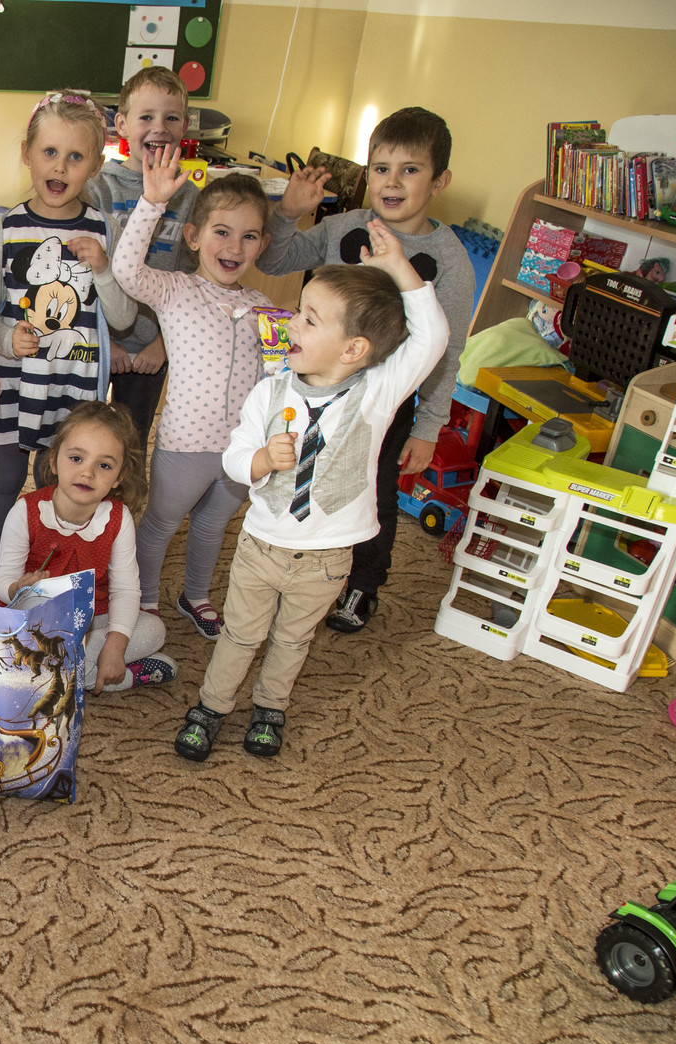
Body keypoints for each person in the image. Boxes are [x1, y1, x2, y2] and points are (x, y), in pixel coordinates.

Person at [177, 218, 447, 761]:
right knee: (239, 635)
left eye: (309, 319)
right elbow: (234, 457)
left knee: (293, 639)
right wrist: (259, 460)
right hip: (261, 546)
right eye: (299, 311)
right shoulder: (269, 392)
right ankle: (211, 705)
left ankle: (270, 707)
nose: (291, 323)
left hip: (326, 557)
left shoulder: (378, 392)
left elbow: (433, 338)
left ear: (353, 349)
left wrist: (400, 268)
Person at [256, 106, 473, 634]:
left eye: (410, 170)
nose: (392, 182)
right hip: (315, 388)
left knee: (373, 490)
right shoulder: (342, 228)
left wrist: (428, 426)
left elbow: (446, 351)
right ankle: (298, 566)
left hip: (385, 401)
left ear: (439, 181)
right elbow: (273, 260)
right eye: (381, 168)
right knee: (301, 473)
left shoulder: (449, 260)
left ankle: (363, 584)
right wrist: (286, 214)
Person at [111, 148, 274, 642]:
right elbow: (126, 270)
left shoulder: (264, 307)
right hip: (185, 444)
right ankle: (143, 599)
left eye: (249, 236)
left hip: (243, 448)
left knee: (213, 525)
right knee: (161, 523)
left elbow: (277, 376)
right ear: (193, 236)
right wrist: (152, 203)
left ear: (262, 245)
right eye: (222, 231)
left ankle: (196, 595)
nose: (234, 246)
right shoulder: (175, 290)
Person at [0, 89, 138, 581]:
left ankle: (51, 578)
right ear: (27, 153)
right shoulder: (4, 230)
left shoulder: (105, 230)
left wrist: (104, 269)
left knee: (58, 486)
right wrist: (6, 337)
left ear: (96, 166)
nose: (60, 167)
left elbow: (124, 317)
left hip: (74, 385)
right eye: (49, 151)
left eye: (75, 156)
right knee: (7, 480)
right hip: (15, 383)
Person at [0, 401, 176, 694]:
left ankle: (61, 674)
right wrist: (17, 588)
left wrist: (114, 647)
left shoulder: (118, 518)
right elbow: (1, 580)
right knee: (18, 631)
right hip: (38, 619)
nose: (87, 473)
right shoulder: (26, 511)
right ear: (54, 461)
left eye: (104, 465)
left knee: (154, 629)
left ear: (119, 477)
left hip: (92, 616)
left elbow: (126, 591)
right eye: (76, 458)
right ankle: (113, 676)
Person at [84, 65, 199, 466]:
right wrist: (105, 340)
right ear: (121, 124)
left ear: (185, 126)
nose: (159, 128)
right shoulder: (97, 187)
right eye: (146, 117)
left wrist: (163, 345)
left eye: (171, 118)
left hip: (153, 349)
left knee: (131, 447)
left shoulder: (190, 197)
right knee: (81, 437)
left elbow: (194, 282)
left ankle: (125, 506)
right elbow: (82, 274)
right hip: (95, 341)